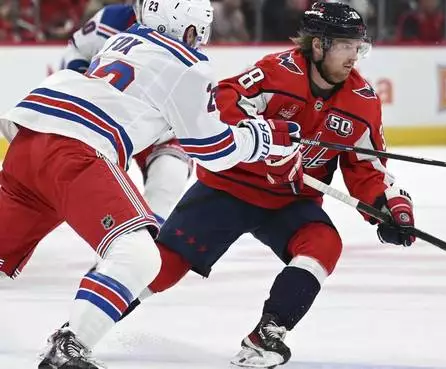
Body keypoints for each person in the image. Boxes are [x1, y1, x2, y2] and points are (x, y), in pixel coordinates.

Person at [0, 0, 300, 368]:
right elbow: (213, 150)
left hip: (30, 138)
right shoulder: (189, 64)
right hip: (75, 150)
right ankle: (70, 346)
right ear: (193, 30)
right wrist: (263, 136)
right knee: (140, 255)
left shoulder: (124, 39)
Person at [121, 2, 417, 368]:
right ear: (319, 45)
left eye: (358, 47)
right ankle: (81, 326)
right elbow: (222, 105)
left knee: (324, 243)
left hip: (289, 202)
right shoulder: (275, 73)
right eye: (344, 45)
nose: (353, 56)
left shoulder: (362, 101)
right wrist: (268, 145)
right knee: (164, 267)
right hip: (228, 190)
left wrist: (387, 206)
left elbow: (366, 166)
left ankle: (268, 332)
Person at [58, 0, 191, 225]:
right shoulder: (111, 19)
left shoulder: (184, 21)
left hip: (159, 128)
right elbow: (77, 49)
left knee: (169, 175)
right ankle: (119, 248)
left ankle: (148, 244)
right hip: (105, 125)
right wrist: (80, 82)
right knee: (95, 193)